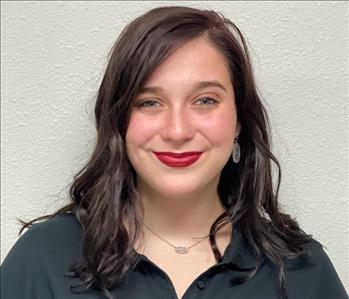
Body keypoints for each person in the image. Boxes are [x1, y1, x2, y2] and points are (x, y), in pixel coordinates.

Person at [1, 5, 348, 299]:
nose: (178, 131)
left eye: (205, 100)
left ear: (239, 119)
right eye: (149, 102)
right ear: (119, 120)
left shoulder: (304, 270)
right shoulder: (41, 259)